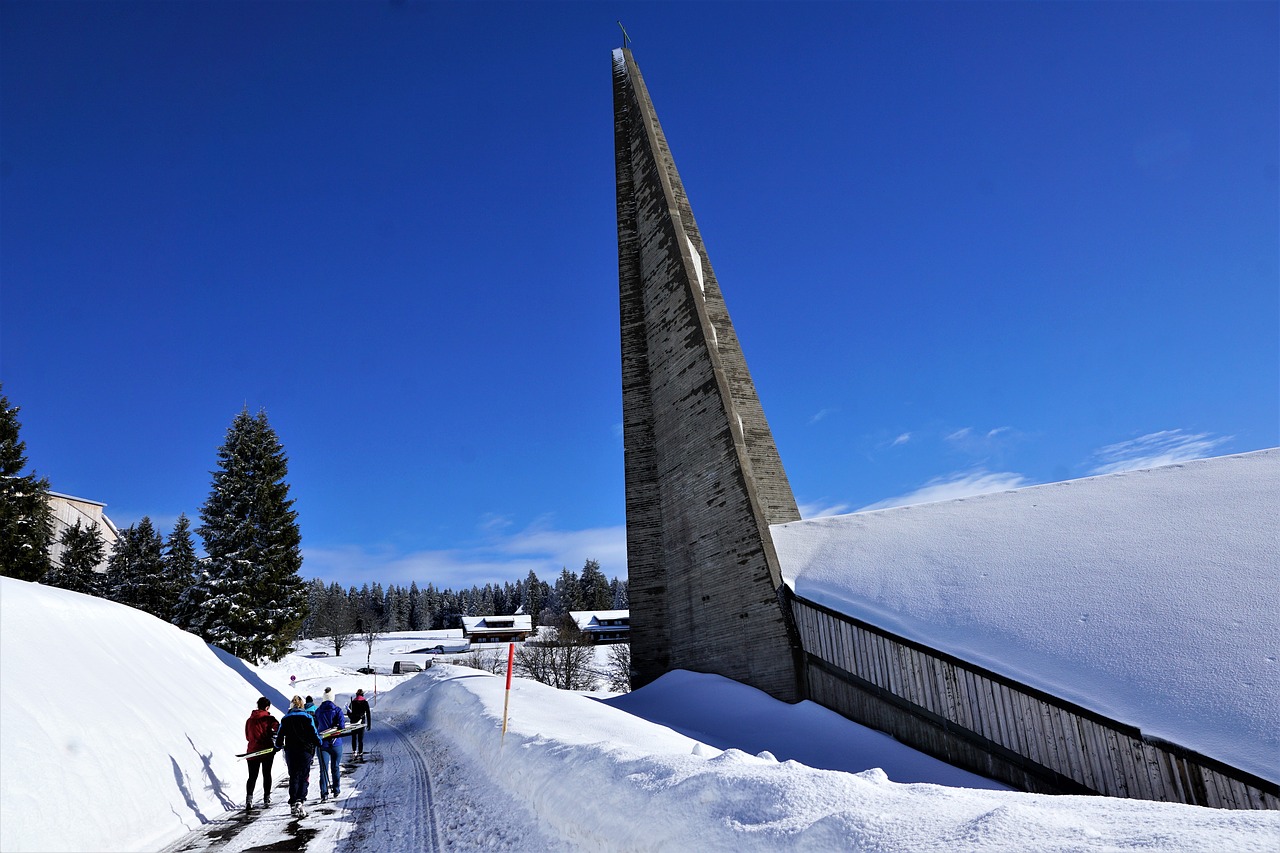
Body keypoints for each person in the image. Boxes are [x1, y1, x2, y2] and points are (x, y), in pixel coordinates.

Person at [275, 695, 323, 818]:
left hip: (291, 751)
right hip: (305, 751)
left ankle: (293, 801)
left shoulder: (285, 719)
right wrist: (319, 742)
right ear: (302, 705)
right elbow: (314, 733)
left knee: (293, 776)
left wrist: (278, 746)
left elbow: (280, 737)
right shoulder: (307, 717)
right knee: (304, 775)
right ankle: (300, 800)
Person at [244, 697, 279, 811]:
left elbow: (247, 736)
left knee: (252, 776)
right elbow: (279, 729)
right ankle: (266, 798)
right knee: (266, 774)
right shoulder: (269, 719)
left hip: (252, 750)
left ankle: (249, 800)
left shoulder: (249, 720)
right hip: (266, 750)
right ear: (267, 707)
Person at [313, 689, 346, 802]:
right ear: (332, 698)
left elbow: (315, 726)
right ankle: (336, 790)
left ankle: (324, 793)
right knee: (335, 767)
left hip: (322, 744)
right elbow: (342, 727)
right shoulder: (337, 710)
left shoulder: (318, 711)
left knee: (323, 769)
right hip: (336, 743)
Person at [346, 688, 371, 757]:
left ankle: (354, 751)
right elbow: (368, 713)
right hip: (361, 722)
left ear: (356, 695)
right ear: (362, 695)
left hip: (353, 722)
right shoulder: (365, 702)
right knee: (360, 739)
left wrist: (351, 717)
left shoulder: (353, 702)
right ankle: (360, 752)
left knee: (354, 737)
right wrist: (369, 724)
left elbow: (348, 712)